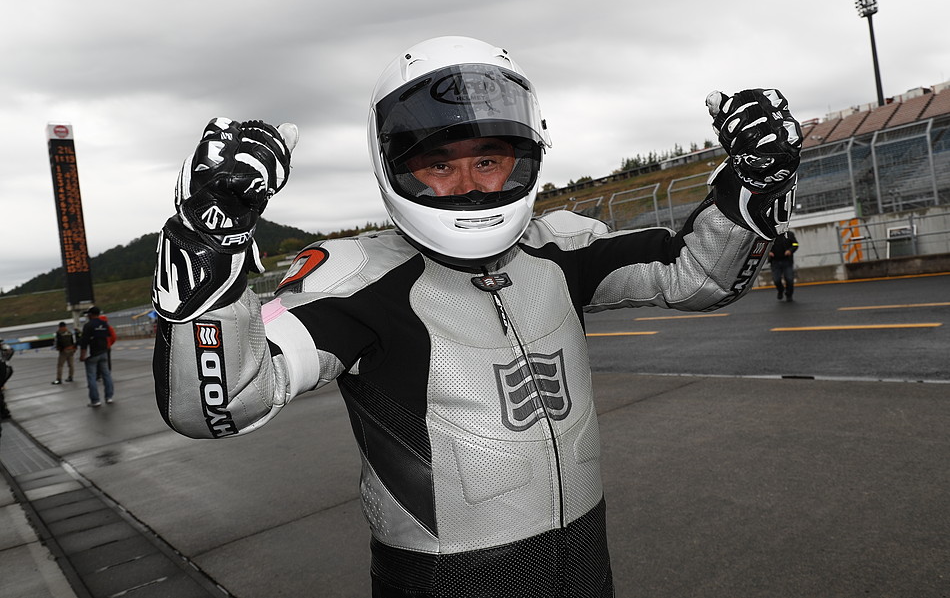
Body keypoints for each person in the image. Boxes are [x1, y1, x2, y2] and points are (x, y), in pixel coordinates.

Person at [151, 36, 801, 597]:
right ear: (393, 164)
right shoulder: (356, 279)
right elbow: (218, 404)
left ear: (525, 155)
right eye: (440, 163)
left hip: (586, 564)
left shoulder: (558, 247)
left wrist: (758, 184)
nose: (468, 184)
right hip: (442, 580)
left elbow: (699, 276)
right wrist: (207, 245)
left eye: (487, 160)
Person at [79, 306, 115, 406]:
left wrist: (82, 355)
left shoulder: (88, 325)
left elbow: (84, 341)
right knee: (107, 375)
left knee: (92, 377)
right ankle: (109, 397)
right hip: (104, 352)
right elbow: (108, 336)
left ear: (90, 315)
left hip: (93, 354)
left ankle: (95, 400)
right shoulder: (104, 324)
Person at [769, 230, 799, 301]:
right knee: (776, 280)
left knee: (789, 279)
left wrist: (790, 250)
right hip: (775, 262)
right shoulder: (771, 235)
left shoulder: (789, 234)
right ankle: (780, 290)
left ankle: (789, 295)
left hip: (787, 261)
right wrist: (769, 252)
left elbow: (795, 244)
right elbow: (765, 245)